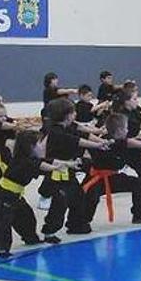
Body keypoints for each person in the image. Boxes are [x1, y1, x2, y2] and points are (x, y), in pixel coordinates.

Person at [0, 130, 79, 258]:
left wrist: (70, 164)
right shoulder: (24, 160)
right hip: (4, 194)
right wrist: (55, 168)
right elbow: (44, 166)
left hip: (17, 195)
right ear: (31, 147)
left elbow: (51, 161)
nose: (44, 146)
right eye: (40, 143)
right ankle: (0, 247)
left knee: (27, 217)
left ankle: (30, 237)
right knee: (3, 222)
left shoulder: (32, 159)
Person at [40, 98, 110, 242]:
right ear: (66, 115)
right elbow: (76, 140)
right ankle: (49, 231)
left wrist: (101, 140)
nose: (75, 114)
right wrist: (97, 146)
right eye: (73, 112)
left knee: (78, 196)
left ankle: (75, 224)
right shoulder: (55, 131)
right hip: (56, 170)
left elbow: (84, 133)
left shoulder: (69, 126)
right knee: (60, 202)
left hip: (68, 169)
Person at [84, 113, 141, 227]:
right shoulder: (106, 142)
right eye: (126, 128)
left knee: (139, 183)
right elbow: (126, 143)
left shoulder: (121, 141)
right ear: (119, 130)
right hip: (96, 178)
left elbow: (130, 141)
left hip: (114, 177)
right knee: (89, 199)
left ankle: (139, 215)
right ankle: (82, 221)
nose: (127, 130)